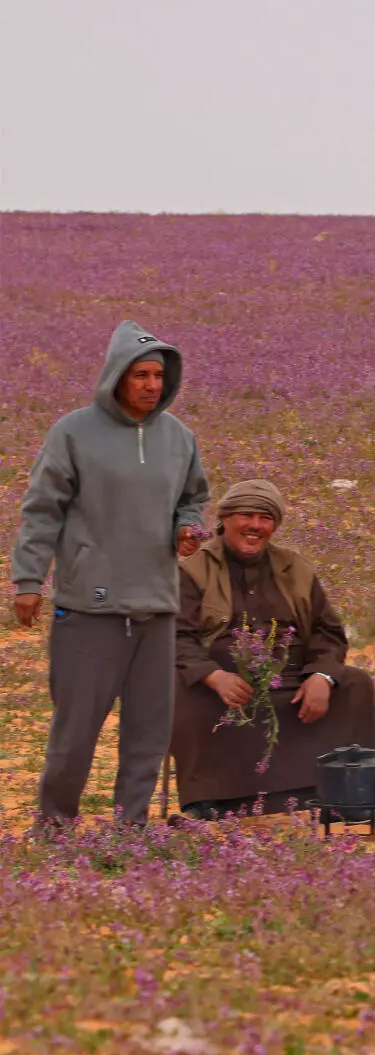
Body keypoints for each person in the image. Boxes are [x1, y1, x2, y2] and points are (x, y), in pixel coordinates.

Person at [11, 322, 211, 827]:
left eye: (158, 376)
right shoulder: (73, 432)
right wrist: (29, 580)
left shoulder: (179, 438)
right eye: (140, 374)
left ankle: (131, 833)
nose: (150, 385)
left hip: (157, 606)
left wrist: (187, 529)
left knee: (148, 731)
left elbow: (193, 498)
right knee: (75, 731)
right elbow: (42, 510)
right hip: (88, 607)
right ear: (116, 376)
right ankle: (54, 829)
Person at [172, 480, 375, 819]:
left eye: (265, 518)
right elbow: (176, 635)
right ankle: (208, 802)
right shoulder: (193, 569)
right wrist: (214, 677)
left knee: (354, 685)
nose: (255, 526)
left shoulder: (296, 568)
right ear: (225, 518)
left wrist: (321, 676)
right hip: (224, 680)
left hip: (290, 676)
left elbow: (327, 631)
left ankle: (350, 793)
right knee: (182, 690)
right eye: (246, 515)